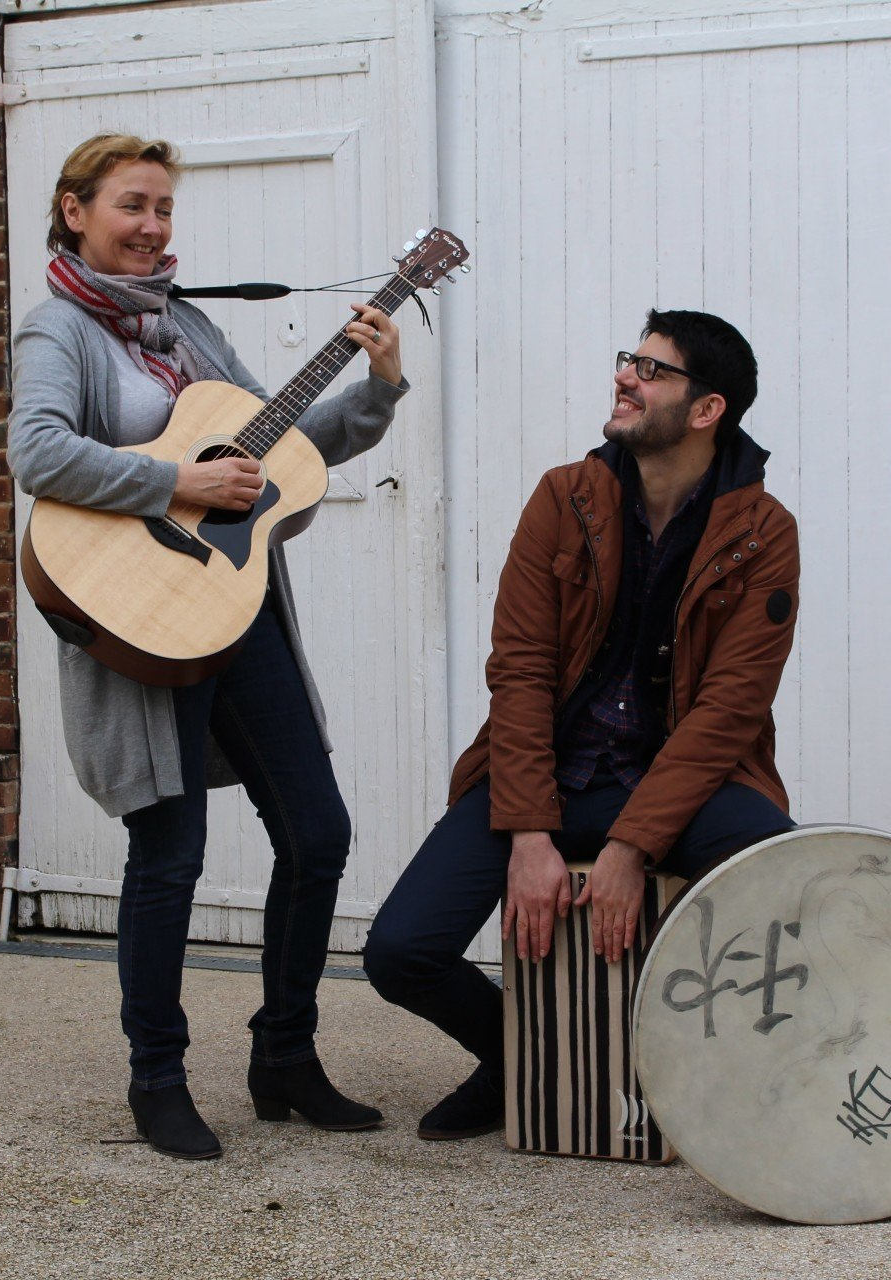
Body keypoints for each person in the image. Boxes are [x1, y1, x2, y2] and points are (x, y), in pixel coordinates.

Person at [7, 133, 407, 1160]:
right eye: (132, 205)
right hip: (140, 624)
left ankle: (285, 1054)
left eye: (164, 210)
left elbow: (279, 441)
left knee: (317, 832)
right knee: (171, 854)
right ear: (74, 210)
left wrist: (377, 386)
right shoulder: (59, 330)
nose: (152, 227)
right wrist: (178, 484)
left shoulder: (186, 327)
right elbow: (38, 450)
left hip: (238, 611)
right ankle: (158, 1077)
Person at [363, 309, 799, 1140]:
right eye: (626, 358)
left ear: (707, 411)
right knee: (400, 951)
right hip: (551, 774)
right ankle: (525, 1059)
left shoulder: (762, 533)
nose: (623, 376)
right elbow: (520, 670)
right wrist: (528, 830)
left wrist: (632, 848)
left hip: (680, 781)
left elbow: (728, 712)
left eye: (650, 369)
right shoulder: (565, 498)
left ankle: (748, 1081)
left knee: (780, 881)